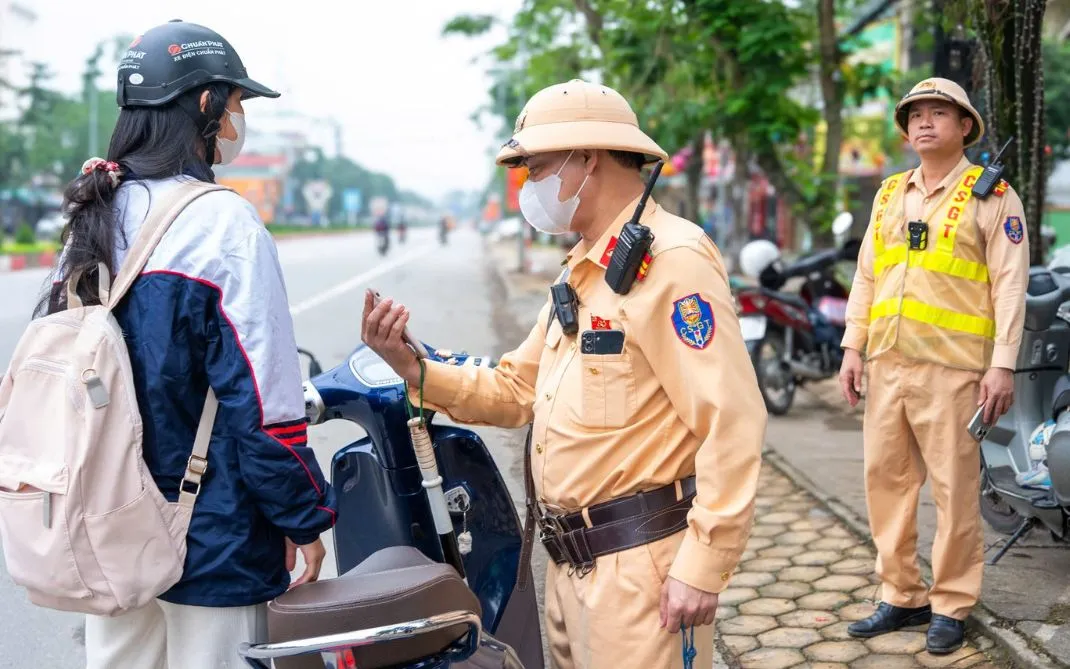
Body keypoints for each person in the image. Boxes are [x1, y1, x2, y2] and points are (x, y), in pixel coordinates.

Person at [361, 79, 766, 669]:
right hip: (569, 566)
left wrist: (704, 566)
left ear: (588, 158)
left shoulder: (673, 262)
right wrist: (414, 369)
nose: (529, 186)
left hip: (641, 570)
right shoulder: (583, 269)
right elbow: (517, 388)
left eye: (537, 168)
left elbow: (732, 420)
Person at [44, 20, 337, 668]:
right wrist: (303, 517)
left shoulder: (93, 217)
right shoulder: (222, 224)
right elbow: (265, 408)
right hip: (214, 539)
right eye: (235, 103)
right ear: (205, 103)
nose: (237, 120)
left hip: (107, 528)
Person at [838, 77, 1029, 654]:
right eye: (915, 113)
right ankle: (901, 594)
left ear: (965, 126)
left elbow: (1010, 285)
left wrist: (1002, 365)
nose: (924, 121)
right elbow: (868, 274)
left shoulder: (992, 195)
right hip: (888, 364)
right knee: (885, 484)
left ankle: (950, 603)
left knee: (954, 491)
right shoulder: (889, 193)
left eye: (939, 112)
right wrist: (852, 346)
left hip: (954, 369)